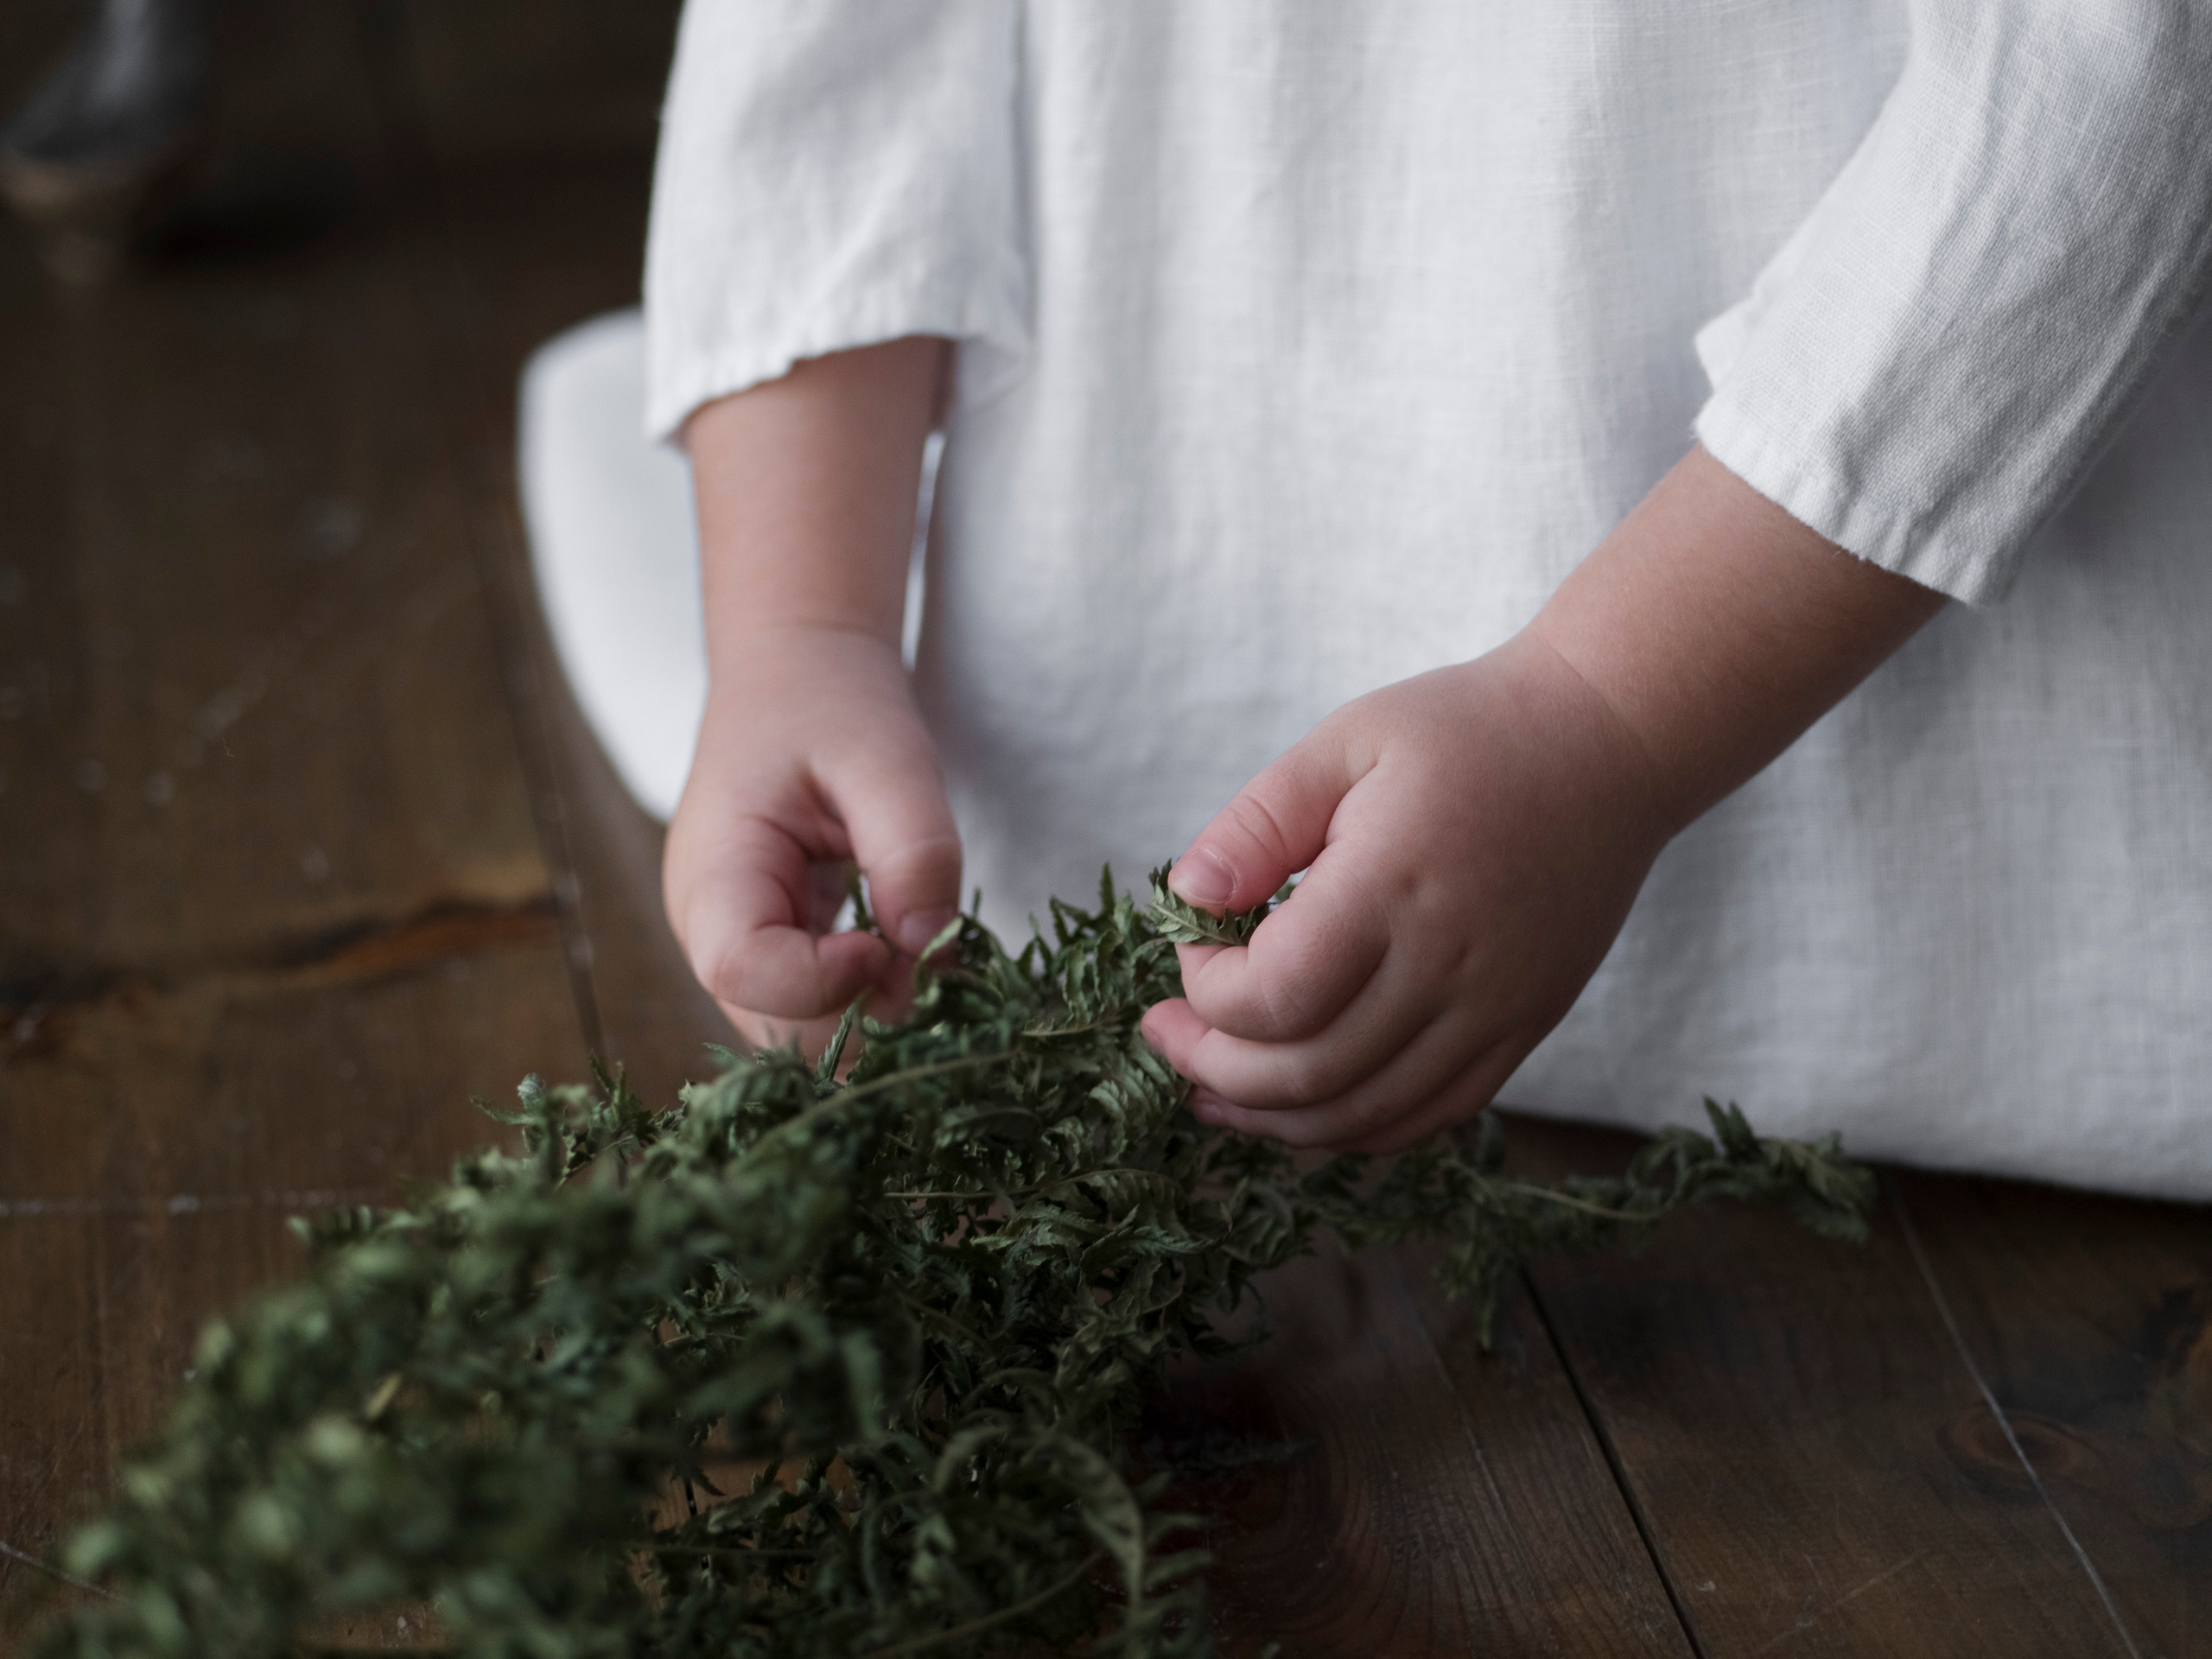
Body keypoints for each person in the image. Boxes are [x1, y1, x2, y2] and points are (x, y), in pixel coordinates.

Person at [594, 3, 2212, 1198]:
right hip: (1072, 822)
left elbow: (2098, 92)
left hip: (1884, 768)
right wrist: (802, 628)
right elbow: (834, 65)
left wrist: (1607, 715)